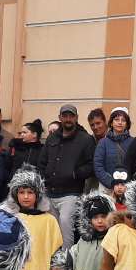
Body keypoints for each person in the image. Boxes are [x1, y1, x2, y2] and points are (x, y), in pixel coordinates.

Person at [5, 166, 64, 270]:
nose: (26, 196)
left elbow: (57, 250)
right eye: (21, 192)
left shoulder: (49, 220)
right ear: (15, 194)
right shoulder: (9, 219)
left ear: (37, 194)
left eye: (30, 192)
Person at [42, 104, 95, 244]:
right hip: (50, 192)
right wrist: (44, 177)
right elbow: (42, 161)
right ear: (60, 118)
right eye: (64, 116)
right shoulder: (52, 138)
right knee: (51, 230)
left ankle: (66, 262)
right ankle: (53, 259)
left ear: (76, 118)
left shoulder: (85, 139)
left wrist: (75, 174)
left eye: (71, 116)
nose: (68, 119)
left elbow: (91, 165)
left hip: (71, 193)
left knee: (66, 225)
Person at [53, 192, 113, 270]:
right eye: (95, 217)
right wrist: (60, 264)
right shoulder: (84, 240)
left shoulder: (112, 241)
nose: (100, 221)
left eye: (103, 216)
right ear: (89, 220)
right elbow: (72, 255)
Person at [93, 107, 135, 190]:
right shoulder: (103, 142)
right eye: (116, 119)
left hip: (127, 188)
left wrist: (127, 184)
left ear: (127, 124)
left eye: (123, 120)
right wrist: (111, 182)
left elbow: (135, 166)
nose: (120, 122)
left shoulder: (133, 142)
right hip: (106, 187)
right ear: (111, 123)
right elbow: (98, 166)